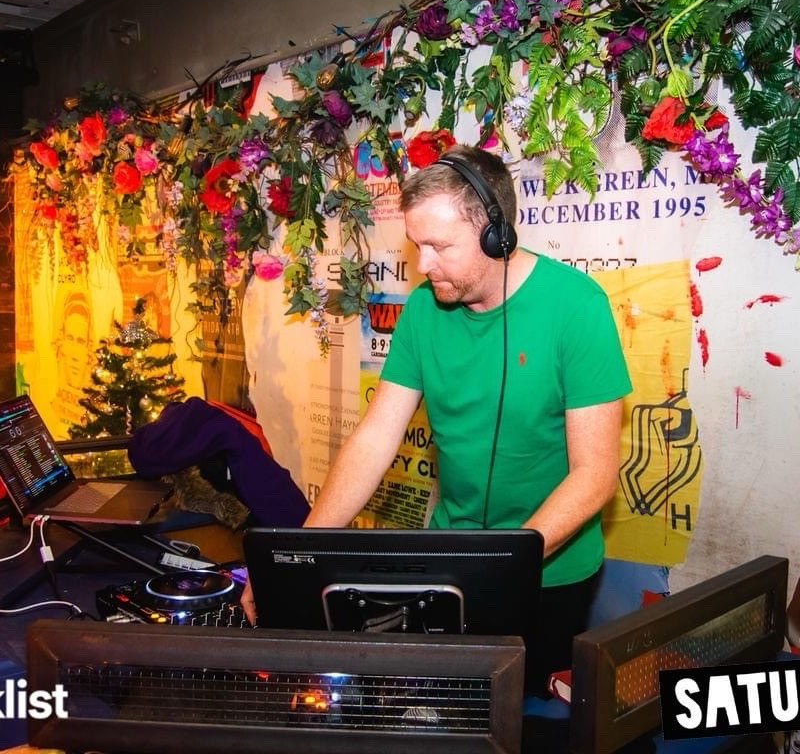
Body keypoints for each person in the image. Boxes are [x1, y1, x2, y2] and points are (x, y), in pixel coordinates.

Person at [242, 144, 632, 692]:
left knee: (525, 714)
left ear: (496, 234)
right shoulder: (423, 310)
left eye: (439, 247)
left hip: (552, 572)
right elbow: (375, 439)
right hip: (451, 562)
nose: (423, 265)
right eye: (416, 245)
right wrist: (294, 560)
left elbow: (595, 475)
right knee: (442, 707)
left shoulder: (577, 307)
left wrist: (502, 569)